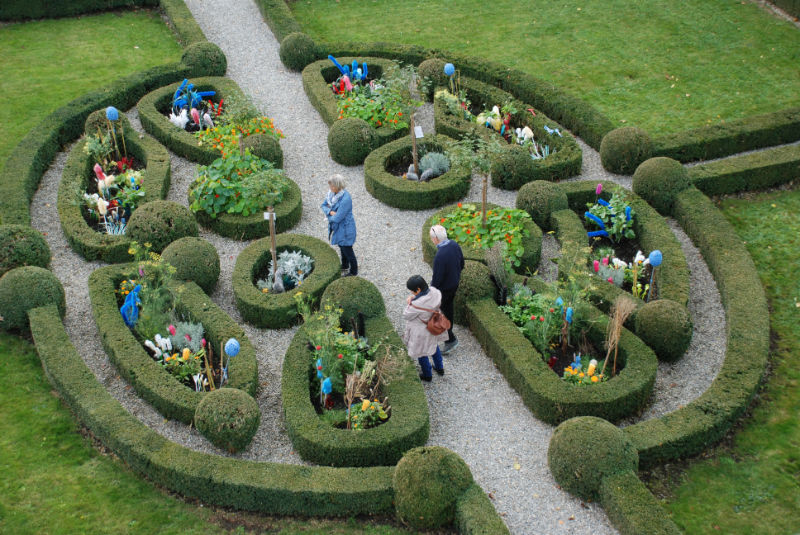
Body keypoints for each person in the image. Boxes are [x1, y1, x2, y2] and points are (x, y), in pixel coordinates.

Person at [402, 275, 447, 382]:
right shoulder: (435, 292)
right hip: (434, 326)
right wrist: (415, 297)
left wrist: (410, 301)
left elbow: (406, 315)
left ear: (418, 289)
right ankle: (439, 368)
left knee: (421, 352)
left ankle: (427, 374)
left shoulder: (417, 305)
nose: (412, 293)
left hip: (422, 331)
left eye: (412, 291)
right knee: (434, 346)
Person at [429, 224, 464, 353]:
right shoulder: (454, 244)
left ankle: (450, 339)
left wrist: (431, 292)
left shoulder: (440, 256)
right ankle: (449, 334)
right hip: (454, 284)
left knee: (439, 312)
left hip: (444, 289)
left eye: (432, 238)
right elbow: (462, 263)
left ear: (436, 239)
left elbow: (437, 278)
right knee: (448, 308)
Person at [321, 174, 357, 276]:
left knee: (347, 250)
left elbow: (337, 218)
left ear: (338, 186)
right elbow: (323, 205)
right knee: (342, 246)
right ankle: (345, 265)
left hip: (345, 229)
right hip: (339, 228)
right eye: (330, 186)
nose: (330, 188)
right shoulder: (331, 194)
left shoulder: (346, 199)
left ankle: (354, 271)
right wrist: (330, 212)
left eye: (332, 186)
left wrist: (328, 215)